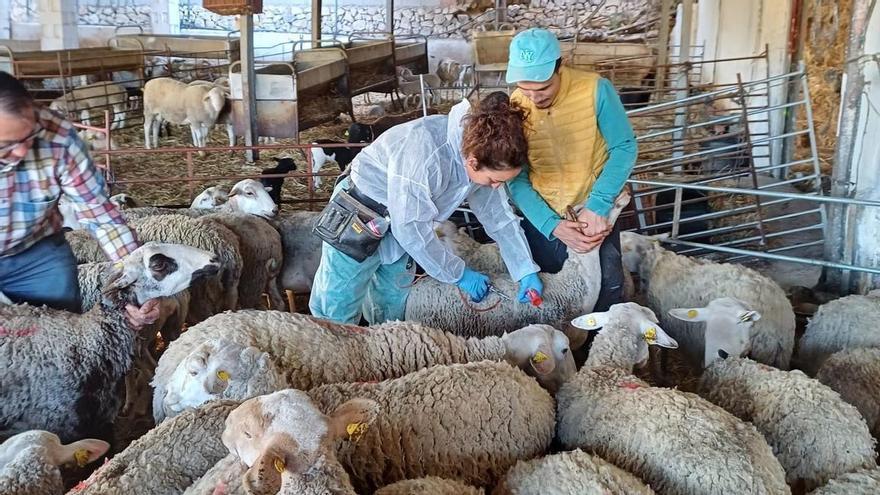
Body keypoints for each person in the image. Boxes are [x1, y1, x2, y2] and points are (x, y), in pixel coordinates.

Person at [309, 92, 543, 325]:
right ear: (473, 162)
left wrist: (524, 269)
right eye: (494, 180)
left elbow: (499, 218)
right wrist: (458, 274)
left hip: (405, 225)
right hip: (361, 213)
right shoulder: (426, 152)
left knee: (391, 303)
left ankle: (383, 355)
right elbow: (410, 228)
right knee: (337, 305)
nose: (496, 187)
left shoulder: (480, 156)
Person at [0, 71, 159, 326]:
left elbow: (102, 217)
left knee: (59, 340)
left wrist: (135, 283)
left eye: (29, 137)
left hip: (36, 254)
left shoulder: (58, 138)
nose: (21, 151)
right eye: (5, 145)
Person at [505, 28, 637, 312]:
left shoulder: (595, 90)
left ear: (560, 67)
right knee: (549, 298)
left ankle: (600, 353)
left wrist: (598, 206)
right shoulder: (515, 104)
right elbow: (516, 177)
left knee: (607, 290)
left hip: (593, 214)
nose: (533, 97)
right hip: (544, 215)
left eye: (542, 88)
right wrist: (551, 224)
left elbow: (624, 147)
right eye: (525, 88)